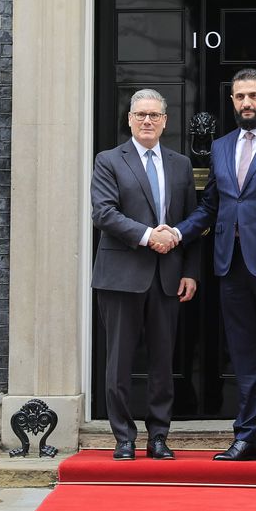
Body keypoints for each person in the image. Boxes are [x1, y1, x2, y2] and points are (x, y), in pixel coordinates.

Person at [168, 68, 256, 464]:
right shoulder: (221, 147)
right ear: (231, 101)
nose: (246, 103)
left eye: (253, 95)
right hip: (230, 265)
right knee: (244, 356)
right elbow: (210, 206)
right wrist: (178, 233)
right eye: (239, 97)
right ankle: (246, 437)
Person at [91, 89, 199, 461]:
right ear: (130, 120)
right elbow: (103, 213)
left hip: (168, 277)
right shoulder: (108, 160)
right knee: (119, 362)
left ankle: (158, 436)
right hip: (121, 275)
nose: (147, 121)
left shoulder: (181, 164)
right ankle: (123, 437)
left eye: (154, 115)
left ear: (165, 121)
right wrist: (148, 236)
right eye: (140, 115)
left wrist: (190, 271)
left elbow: (192, 222)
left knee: (162, 363)